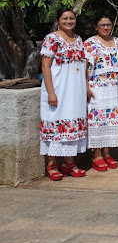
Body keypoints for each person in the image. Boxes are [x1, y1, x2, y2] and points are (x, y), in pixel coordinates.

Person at [40, 9, 88, 180]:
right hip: (59, 88)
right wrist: (51, 92)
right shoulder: (51, 38)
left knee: (73, 122)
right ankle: (52, 163)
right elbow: (45, 67)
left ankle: (69, 162)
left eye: (72, 18)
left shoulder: (78, 39)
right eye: (65, 18)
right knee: (55, 121)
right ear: (58, 20)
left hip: (75, 90)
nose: (69, 21)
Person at [84, 15, 118, 171]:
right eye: (102, 24)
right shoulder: (90, 43)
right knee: (97, 119)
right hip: (96, 86)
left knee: (110, 119)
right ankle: (96, 154)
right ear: (96, 26)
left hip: (112, 87)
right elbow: (85, 67)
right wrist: (86, 87)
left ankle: (107, 152)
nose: (105, 27)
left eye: (108, 24)